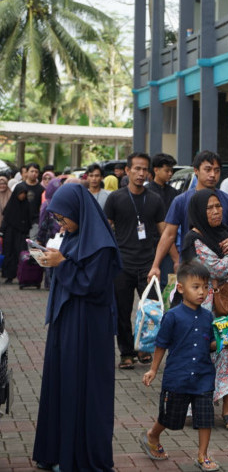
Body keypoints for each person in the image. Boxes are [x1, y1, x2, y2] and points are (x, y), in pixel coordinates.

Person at [32, 183, 122, 471]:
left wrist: (62, 264)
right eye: (57, 219)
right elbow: (68, 267)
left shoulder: (101, 244)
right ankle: (56, 452)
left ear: (78, 211)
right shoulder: (73, 235)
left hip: (89, 327)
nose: (62, 224)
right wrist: (53, 259)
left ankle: (80, 458)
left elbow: (92, 285)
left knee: (83, 387)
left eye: (63, 217)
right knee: (61, 383)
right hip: (67, 323)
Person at [180, 189, 228, 431]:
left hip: (227, 307)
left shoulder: (227, 233)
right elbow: (217, 268)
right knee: (203, 353)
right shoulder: (194, 238)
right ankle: (200, 407)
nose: (215, 211)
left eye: (218, 206)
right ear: (200, 211)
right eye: (209, 207)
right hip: (204, 308)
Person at [141, 261, 221, 471]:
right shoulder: (172, 316)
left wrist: (224, 342)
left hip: (203, 377)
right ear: (181, 288)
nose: (202, 292)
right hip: (177, 378)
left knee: (205, 418)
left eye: (205, 287)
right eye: (196, 287)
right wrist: (153, 369)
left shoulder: (207, 317)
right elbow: (161, 344)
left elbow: (209, 345)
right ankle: (153, 434)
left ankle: (202, 455)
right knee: (170, 418)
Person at [103, 152, 173, 369]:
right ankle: (126, 352)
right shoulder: (115, 198)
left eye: (145, 170)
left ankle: (144, 347)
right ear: (127, 170)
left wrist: (176, 260)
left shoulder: (154, 199)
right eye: (137, 169)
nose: (141, 173)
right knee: (122, 311)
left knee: (151, 309)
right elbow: (105, 229)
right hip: (122, 265)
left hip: (149, 265)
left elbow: (165, 233)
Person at [148, 151, 228, 283]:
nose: (212, 175)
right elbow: (168, 235)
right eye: (207, 170)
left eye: (216, 170)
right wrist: (156, 266)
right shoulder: (181, 201)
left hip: (221, 272)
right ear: (196, 170)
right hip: (191, 269)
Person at [147, 153, 179, 287]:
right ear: (156, 170)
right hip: (150, 246)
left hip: (169, 245)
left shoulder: (174, 193)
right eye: (167, 170)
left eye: (172, 171)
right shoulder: (147, 192)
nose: (170, 174)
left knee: (167, 284)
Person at [0, 184, 32, 284]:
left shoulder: (27, 205)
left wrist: (27, 231)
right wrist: (2, 232)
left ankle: (22, 276)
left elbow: (29, 220)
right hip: (10, 234)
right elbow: (6, 219)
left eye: (24, 194)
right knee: (9, 254)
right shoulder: (11, 205)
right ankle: (9, 275)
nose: (22, 196)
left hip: (21, 234)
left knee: (21, 254)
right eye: (21, 193)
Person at [19, 162, 44, 228]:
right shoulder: (19, 187)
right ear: (27, 172)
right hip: (20, 221)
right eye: (32, 171)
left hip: (35, 222)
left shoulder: (41, 189)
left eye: (36, 172)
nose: (34, 173)